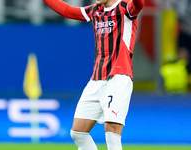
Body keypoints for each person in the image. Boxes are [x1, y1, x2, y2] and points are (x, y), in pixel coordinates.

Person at [43, 0, 144, 149]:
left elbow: (139, 5)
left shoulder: (125, 8)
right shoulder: (94, 11)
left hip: (118, 77)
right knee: (78, 132)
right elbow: (67, 11)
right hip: (96, 79)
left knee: (111, 132)